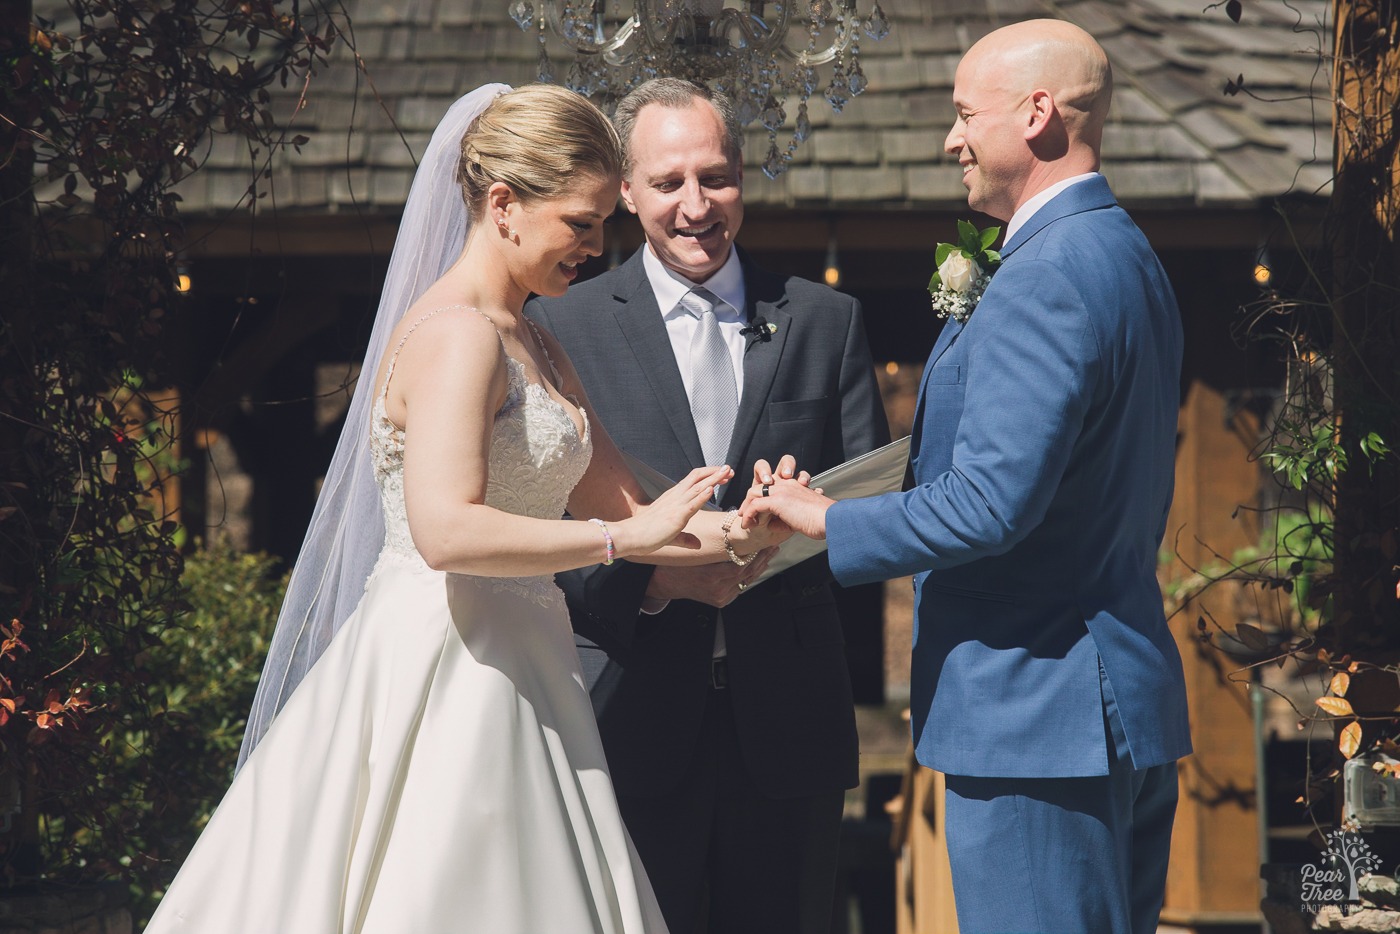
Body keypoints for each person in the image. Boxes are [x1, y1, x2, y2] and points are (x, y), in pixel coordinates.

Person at [145, 83, 789, 934]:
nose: (596, 249)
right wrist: (618, 536)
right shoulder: (458, 334)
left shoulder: (536, 338)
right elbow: (447, 530)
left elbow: (636, 511)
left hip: (530, 667)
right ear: (503, 204)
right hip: (447, 669)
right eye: (580, 223)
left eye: (602, 224)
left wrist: (754, 528)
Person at [741, 20, 1191, 934]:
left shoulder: (1046, 275)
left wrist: (826, 520)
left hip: (1038, 712)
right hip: (1112, 697)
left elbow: (990, 503)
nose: (950, 140)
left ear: (1036, 114)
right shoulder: (1124, 252)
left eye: (963, 115)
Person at [526, 78, 889, 934]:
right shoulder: (563, 324)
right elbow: (539, 530)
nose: (697, 206)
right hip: (628, 715)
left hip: (789, 722)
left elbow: (876, 508)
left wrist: (807, 523)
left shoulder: (825, 320)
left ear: (742, 176)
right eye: (668, 183)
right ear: (624, 191)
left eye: (717, 177)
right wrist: (652, 584)